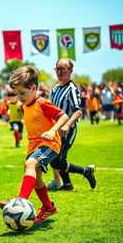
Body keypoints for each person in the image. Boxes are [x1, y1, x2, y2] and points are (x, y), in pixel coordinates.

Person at [0, 65, 69, 223]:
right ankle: (49, 207)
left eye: (22, 93)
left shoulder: (42, 103)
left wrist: (53, 130)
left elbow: (63, 116)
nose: (19, 97)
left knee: (29, 164)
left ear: (33, 88)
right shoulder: (24, 105)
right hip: (34, 145)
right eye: (16, 94)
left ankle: (19, 201)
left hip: (49, 144)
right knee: (36, 178)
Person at [47, 58, 96, 191]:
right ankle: (68, 185)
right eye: (58, 68)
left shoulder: (72, 89)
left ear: (71, 70)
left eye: (63, 68)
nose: (60, 71)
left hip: (68, 130)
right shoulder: (56, 87)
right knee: (60, 158)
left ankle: (85, 171)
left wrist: (66, 125)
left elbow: (78, 111)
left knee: (56, 161)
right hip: (56, 129)